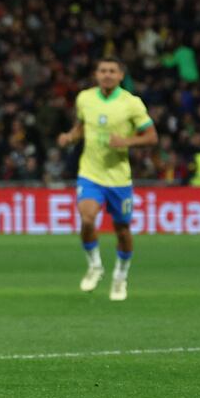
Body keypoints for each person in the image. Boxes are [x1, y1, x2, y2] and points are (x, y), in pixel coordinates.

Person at [58, 57, 158, 301]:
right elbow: (82, 125)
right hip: (90, 174)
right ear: (96, 74)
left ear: (121, 75)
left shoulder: (131, 103)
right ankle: (95, 265)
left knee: (122, 231)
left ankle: (120, 277)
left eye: (112, 71)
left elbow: (152, 137)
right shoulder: (85, 98)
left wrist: (126, 142)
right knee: (87, 218)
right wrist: (71, 136)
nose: (107, 75)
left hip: (119, 178)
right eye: (103, 70)